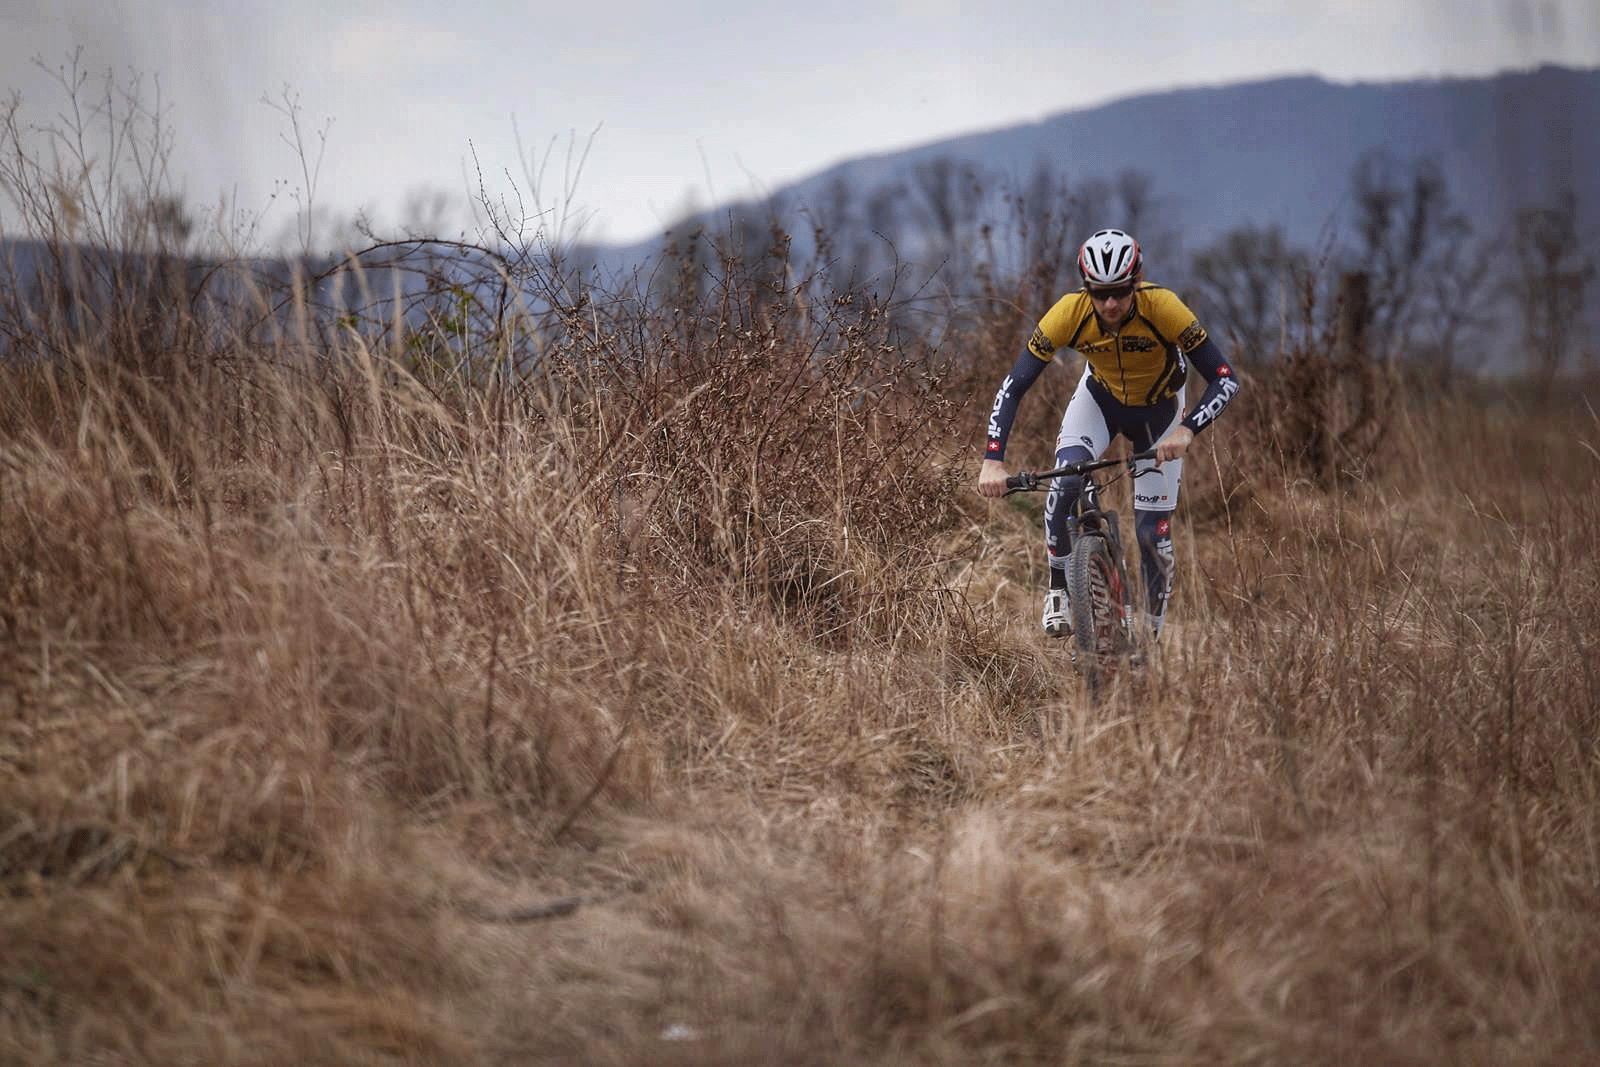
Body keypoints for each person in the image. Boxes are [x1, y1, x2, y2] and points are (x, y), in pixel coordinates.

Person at [977, 228, 1239, 644]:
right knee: (1064, 480)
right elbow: (1014, 385)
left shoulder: (1165, 307)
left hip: (1161, 414)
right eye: (1100, 293)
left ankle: (1150, 638)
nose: (1111, 303)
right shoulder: (1068, 313)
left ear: (1136, 282)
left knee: (1152, 535)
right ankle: (1059, 589)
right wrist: (994, 458)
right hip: (1100, 401)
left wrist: (1188, 431)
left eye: (1120, 291)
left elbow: (1225, 378)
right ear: (1087, 289)